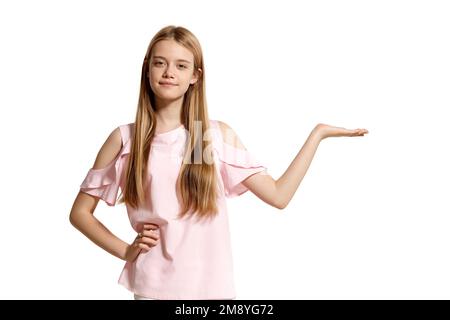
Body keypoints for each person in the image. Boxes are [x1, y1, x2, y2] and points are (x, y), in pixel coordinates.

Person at [69, 25, 369, 300]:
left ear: (195, 76)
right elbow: (80, 213)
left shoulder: (208, 137)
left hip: (213, 291)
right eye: (160, 62)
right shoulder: (126, 139)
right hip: (153, 289)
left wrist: (317, 135)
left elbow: (279, 196)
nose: (169, 72)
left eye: (181, 65)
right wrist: (125, 250)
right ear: (147, 69)